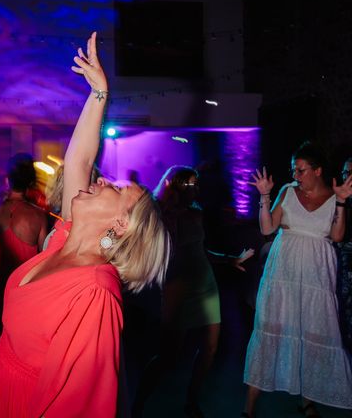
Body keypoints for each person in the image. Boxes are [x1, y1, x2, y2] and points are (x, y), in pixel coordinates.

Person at [0, 32, 170, 417]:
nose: (102, 180)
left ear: (120, 224)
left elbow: (79, 404)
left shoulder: (96, 292)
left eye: (115, 188)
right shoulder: (62, 239)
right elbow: (79, 162)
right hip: (4, 388)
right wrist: (99, 93)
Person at [132, 165, 253, 418]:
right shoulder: (158, 212)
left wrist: (229, 260)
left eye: (197, 184)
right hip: (178, 286)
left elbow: (202, 250)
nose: (196, 189)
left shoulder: (196, 213)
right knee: (169, 356)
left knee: (211, 345)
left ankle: (192, 401)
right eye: (190, 184)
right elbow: (152, 248)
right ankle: (137, 404)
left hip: (205, 283)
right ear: (173, 185)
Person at [243, 142, 352, 418]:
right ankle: (248, 408)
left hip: (317, 275)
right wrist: (265, 197)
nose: (296, 175)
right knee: (271, 330)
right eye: (294, 169)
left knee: (311, 331)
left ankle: (307, 399)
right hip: (284, 273)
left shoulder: (334, 196)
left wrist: (341, 202)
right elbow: (268, 227)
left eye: (301, 170)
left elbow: (337, 236)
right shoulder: (288, 192)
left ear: (317, 171)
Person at [336, 157, 352, 353]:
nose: (347, 177)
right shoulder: (338, 199)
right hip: (342, 262)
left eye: (350, 173)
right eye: (344, 173)